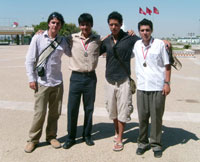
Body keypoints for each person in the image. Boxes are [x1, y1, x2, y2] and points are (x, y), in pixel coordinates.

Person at [24, 12, 70, 153]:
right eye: (53, 22)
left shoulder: (62, 41)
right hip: (41, 82)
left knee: (55, 113)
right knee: (39, 113)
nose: (55, 25)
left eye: (58, 23)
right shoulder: (38, 38)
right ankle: (33, 140)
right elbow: (30, 60)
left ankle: (51, 136)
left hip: (57, 82)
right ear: (49, 23)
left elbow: (73, 52)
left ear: (61, 26)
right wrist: (31, 79)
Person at [100, 11, 139, 151]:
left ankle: (120, 138)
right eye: (111, 24)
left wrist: (163, 42)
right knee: (112, 110)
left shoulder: (130, 38)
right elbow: (92, 51)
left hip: (123, 80)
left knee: (123, 110)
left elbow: (146, 42)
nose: (113, 27)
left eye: (116, 24)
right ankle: (117, 132)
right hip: (109, 80)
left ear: (121, 24)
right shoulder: (106, 40)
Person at [133, 18, 171, 158]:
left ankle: (156, 144)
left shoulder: (160, 44)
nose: (145, 33)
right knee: (142, 118)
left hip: (157, 87)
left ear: (152, 30)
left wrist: (167, 83)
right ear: (139, 32)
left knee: (156, 118)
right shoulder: (136, 44)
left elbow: (167, 65)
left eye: (147, 30)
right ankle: (142, 143)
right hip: (142, 88)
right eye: (142, 30)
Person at [62, 13, 101, 149]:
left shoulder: (97, 39)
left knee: (89, 108)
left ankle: (87, 135)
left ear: (91, 25)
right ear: (80, 25)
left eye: (88, 24)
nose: (85, 27)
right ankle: (71, 137)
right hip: (76, 77)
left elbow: (112, 40)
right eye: (83, 24)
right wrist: (41, 32)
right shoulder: (71, 38)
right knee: (72, 108)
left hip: (90, 78)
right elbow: (54, 38)